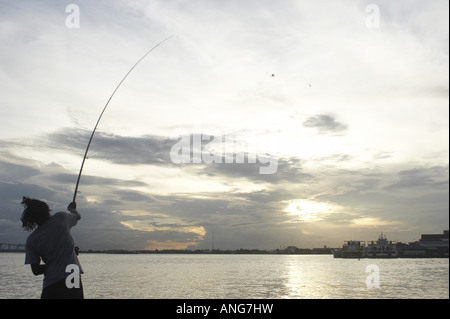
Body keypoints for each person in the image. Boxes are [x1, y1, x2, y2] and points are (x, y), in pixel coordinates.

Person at [20, 196, 84, 299]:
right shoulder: (61, 218)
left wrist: (55, 264)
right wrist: (72, 209)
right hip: (72, 277)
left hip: (51, 286)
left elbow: (36, 270)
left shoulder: (32, 240)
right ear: (47, 210)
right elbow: (77, 216)